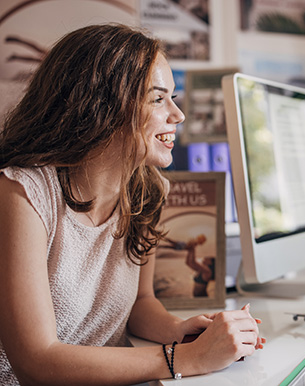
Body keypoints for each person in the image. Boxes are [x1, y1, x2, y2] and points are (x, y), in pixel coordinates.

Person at [0, 24, 264, 385]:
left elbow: (139, 303)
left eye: (174, 97)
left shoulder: (147, 191)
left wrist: (180, 331)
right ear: (98, 105)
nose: (177, 114)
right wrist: (185, 358)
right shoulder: (21, 193)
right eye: (158, 99)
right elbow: (35, 360)